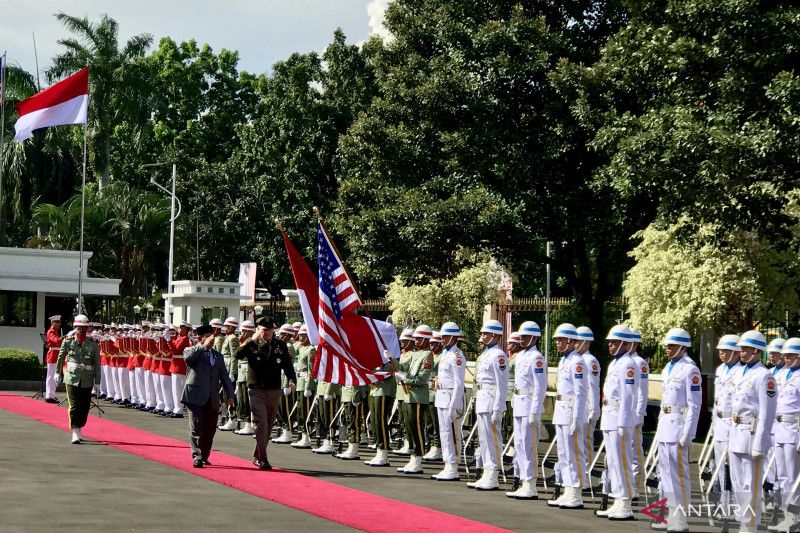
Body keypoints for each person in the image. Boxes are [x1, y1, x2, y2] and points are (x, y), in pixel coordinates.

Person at [651, 328, 702, 532]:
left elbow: (694, 404)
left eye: (671, 346)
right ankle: (671, 514)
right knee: (666, 475)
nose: (667, 349)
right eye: (666, 345)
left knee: (679, 475)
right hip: (665, 426)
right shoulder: (669, 368)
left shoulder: (690, 370)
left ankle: (680, 517)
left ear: (682, 346)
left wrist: (688, 433)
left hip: (679, 428)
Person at [726, 330, 776, 533]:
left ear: (756, 350)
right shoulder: (739, 372)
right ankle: (742, 519)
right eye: (741, 348)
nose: (741, 352)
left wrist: (760, 443)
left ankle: (750, 525)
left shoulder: (765, 376)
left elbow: (767, 413)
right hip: (736, 433)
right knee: (737, 482)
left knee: (751, 484)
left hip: (751, 435)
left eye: (745, 349)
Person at [236, 316, 297, 470]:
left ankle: (258, 454)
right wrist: (251, 340)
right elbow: (238, 355)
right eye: (264, 329)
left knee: (269, 425)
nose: (267, 332)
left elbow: (287, 364)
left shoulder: (279, 345)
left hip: (274, 389)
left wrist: (291, 379)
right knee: (261, 423)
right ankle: (263, 458)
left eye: (270, 329)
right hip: (256, 389)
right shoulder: (252, 344)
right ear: (258, 330)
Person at [595, 325, 638, 520]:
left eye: (614, 342)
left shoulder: (628, 364)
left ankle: (626, 502)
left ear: (625, 343)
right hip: (609, 416)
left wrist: (623, 422)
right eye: (609, 342)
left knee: (622, 461)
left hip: (620, 417)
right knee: (613, 461)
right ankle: (618, 500)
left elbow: (628, 396)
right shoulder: (614, 363)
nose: (610, 345)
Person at [181, 324, 235, 468]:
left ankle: (205, 455)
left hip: (212, 397)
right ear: (200, 338)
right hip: (196, 395)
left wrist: (230, 394)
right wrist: (203, 346)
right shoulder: (191, 350)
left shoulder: (217, 356)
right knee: (196, 427)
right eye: (208, 338)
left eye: (213, 338)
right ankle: (197, 456)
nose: (212, 341)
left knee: (210, 429)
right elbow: (188, 360)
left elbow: (224, 377)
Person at [505, 321, 546, 499]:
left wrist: (535, 411)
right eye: (521, 336)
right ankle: (523, 480)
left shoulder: (537, 358)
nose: (523, 339)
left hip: (529, 405)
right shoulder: (521, 356)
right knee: (520, 445)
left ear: (535, 338)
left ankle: (531, 484)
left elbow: (540, 387)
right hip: (519, 404)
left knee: (529, 446)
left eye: (527, 336)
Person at [467, 319, 509, 491]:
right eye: (482, 333)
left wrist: (498, 408)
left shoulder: (499, 356)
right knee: (484, 439)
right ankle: (486, 471)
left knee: (493, 439)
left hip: (491, 400)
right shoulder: (485, 354)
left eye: (485, 333)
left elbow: (502, 384)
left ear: (494, 335)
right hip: (483, 398)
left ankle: (493, 473)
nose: (482, 336)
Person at [395, 324, 434, 474]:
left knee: (417, 429)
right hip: (408, 396)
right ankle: (413, 457)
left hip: (418, 397)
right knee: (410, 429)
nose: (415, 341)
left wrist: (405, 378)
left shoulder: (427, 355)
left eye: (418, 339)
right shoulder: (414, 354)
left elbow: (422, 379)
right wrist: (391, 359)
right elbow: (402, 367)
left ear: (425, 340)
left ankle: (418, 459)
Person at [55, 314, 100, 444]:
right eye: (79, 327)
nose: (81, 329)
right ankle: (75, 431)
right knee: (74, 405)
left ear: (87, 329)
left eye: (84, 327)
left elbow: (97, 363)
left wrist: (97, 381)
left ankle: (79, 427)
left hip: (86, 378)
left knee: (85, 406)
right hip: (71, 376)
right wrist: (57, 373)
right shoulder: (68, 341)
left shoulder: (92, 344)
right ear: (75, 327)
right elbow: (61, 357)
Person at [770, 338, 800, 531]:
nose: (785, 358)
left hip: (794, 430)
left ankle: (796, 516)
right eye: (785, 355)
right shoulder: (780, 374)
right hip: (778, 429)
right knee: (782, 475)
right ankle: (787, 514)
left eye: (789, 356)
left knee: (793, 475)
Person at [710, 334, 740, 520]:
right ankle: (724, 505)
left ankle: (736, 507)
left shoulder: (740, 372)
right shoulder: (721, 369)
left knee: (733, 469)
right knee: (721, 468)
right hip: (719, 423)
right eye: (720, 350)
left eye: (725, 350)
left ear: (736, 352)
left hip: (732, 425)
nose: (721, 353)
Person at [575, 325, 601, 484]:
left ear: (586, 342)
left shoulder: (590, 361)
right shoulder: (577, 360)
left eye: (578, 341)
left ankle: (587, 475)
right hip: (579, 408)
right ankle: (580, 475)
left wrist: (593, 410)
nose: (575, 344)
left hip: (587, 408)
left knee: (585, 443)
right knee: (578, 444)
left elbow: (593, 386)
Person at [290, 324, 316, 447]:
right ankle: (302, 434)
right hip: (300, 382)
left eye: (302, 335)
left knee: (306, 411)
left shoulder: (311, 350)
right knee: (300, 410)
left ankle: (307, 436)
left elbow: (311, 370)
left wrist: (309, 386)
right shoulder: (301, 349)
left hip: (306, 383)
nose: (299, 337)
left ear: (307, 337)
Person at [233, 320, 256, 436]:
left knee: (247, 400)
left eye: (242, 331)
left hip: (248, 374)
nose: (240, 334)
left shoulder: (251, 343)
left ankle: (249, 423)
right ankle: (245, 421)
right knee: (242, 399)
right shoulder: (243, 342)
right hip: (242, 374)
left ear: (248, 332)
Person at [44, 315, 63, 403]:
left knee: (55, 376)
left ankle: (52, 395)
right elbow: (55, 340)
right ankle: (49, 396)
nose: (59, 324)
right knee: (51, 376)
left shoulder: (55, 331)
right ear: (52, 323)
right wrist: (64, 338)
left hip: (56, 354)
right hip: (52, 355)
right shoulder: (51, 331)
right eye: (57, 322)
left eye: (59, 322)